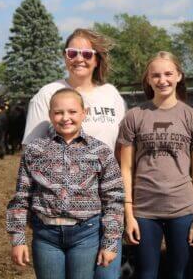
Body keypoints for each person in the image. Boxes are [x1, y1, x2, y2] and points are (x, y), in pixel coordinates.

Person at [22, 28, 126, 279]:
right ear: (64, 56)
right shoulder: (47, 94)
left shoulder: (112, 95)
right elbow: (30, 157)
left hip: (104, 207)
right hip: (61, 213)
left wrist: (122, 208)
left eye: (87, 53)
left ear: (97, 58)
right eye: (72, 52)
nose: (79, 58)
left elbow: (123, 151)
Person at [6, 88, 124, 279]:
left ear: (84, 113)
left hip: (86, 235)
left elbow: (114, 198)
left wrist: (110, 242)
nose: (65, 118)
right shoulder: (35, 150)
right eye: (58, 112)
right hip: (46, 236)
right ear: (50, 115)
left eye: (72, 112)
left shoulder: (100, 151)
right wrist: (17, 239)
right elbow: (21, 197)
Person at [118, 51, 193, 279]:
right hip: (145, 209)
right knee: (146, 274)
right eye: (156, 75)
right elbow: (126, 169)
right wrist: (129, 214)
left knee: (180, 273)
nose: (162, 80)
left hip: (182, 208)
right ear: (148, 79)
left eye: (168, 73)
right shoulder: (134, 116)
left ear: (179, 76)